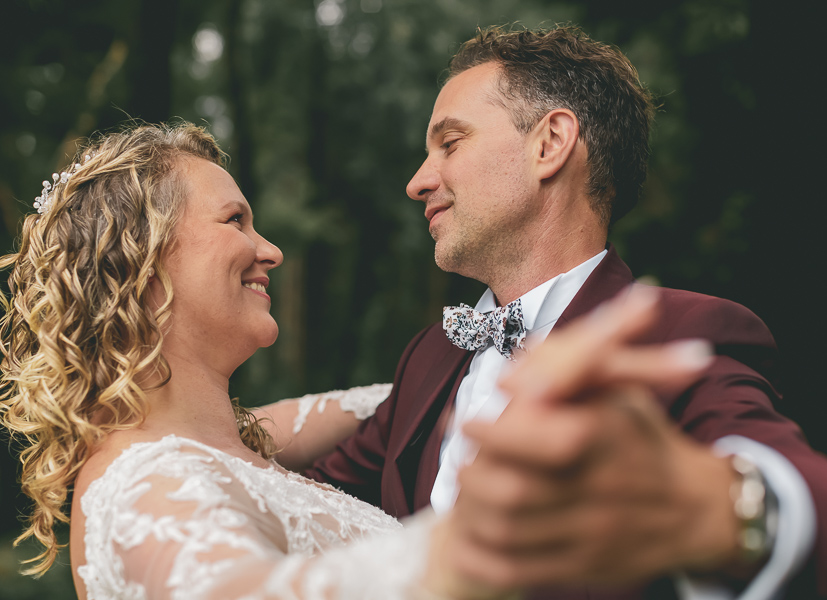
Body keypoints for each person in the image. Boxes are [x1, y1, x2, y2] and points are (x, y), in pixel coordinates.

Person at [291, 25, 827, 600]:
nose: (419, 181)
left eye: (450, 143)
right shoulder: (428, 357)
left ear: (550, 144)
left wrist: (703, 507)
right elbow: (301, 497)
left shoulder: (678, 335)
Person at [0, 122, 559, 600]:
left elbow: (390, 404)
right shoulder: (142, 485)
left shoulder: (227, 440)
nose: (270, 250)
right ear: (138, 261)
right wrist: (484, 536)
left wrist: (503, 372)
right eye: (234, 221)